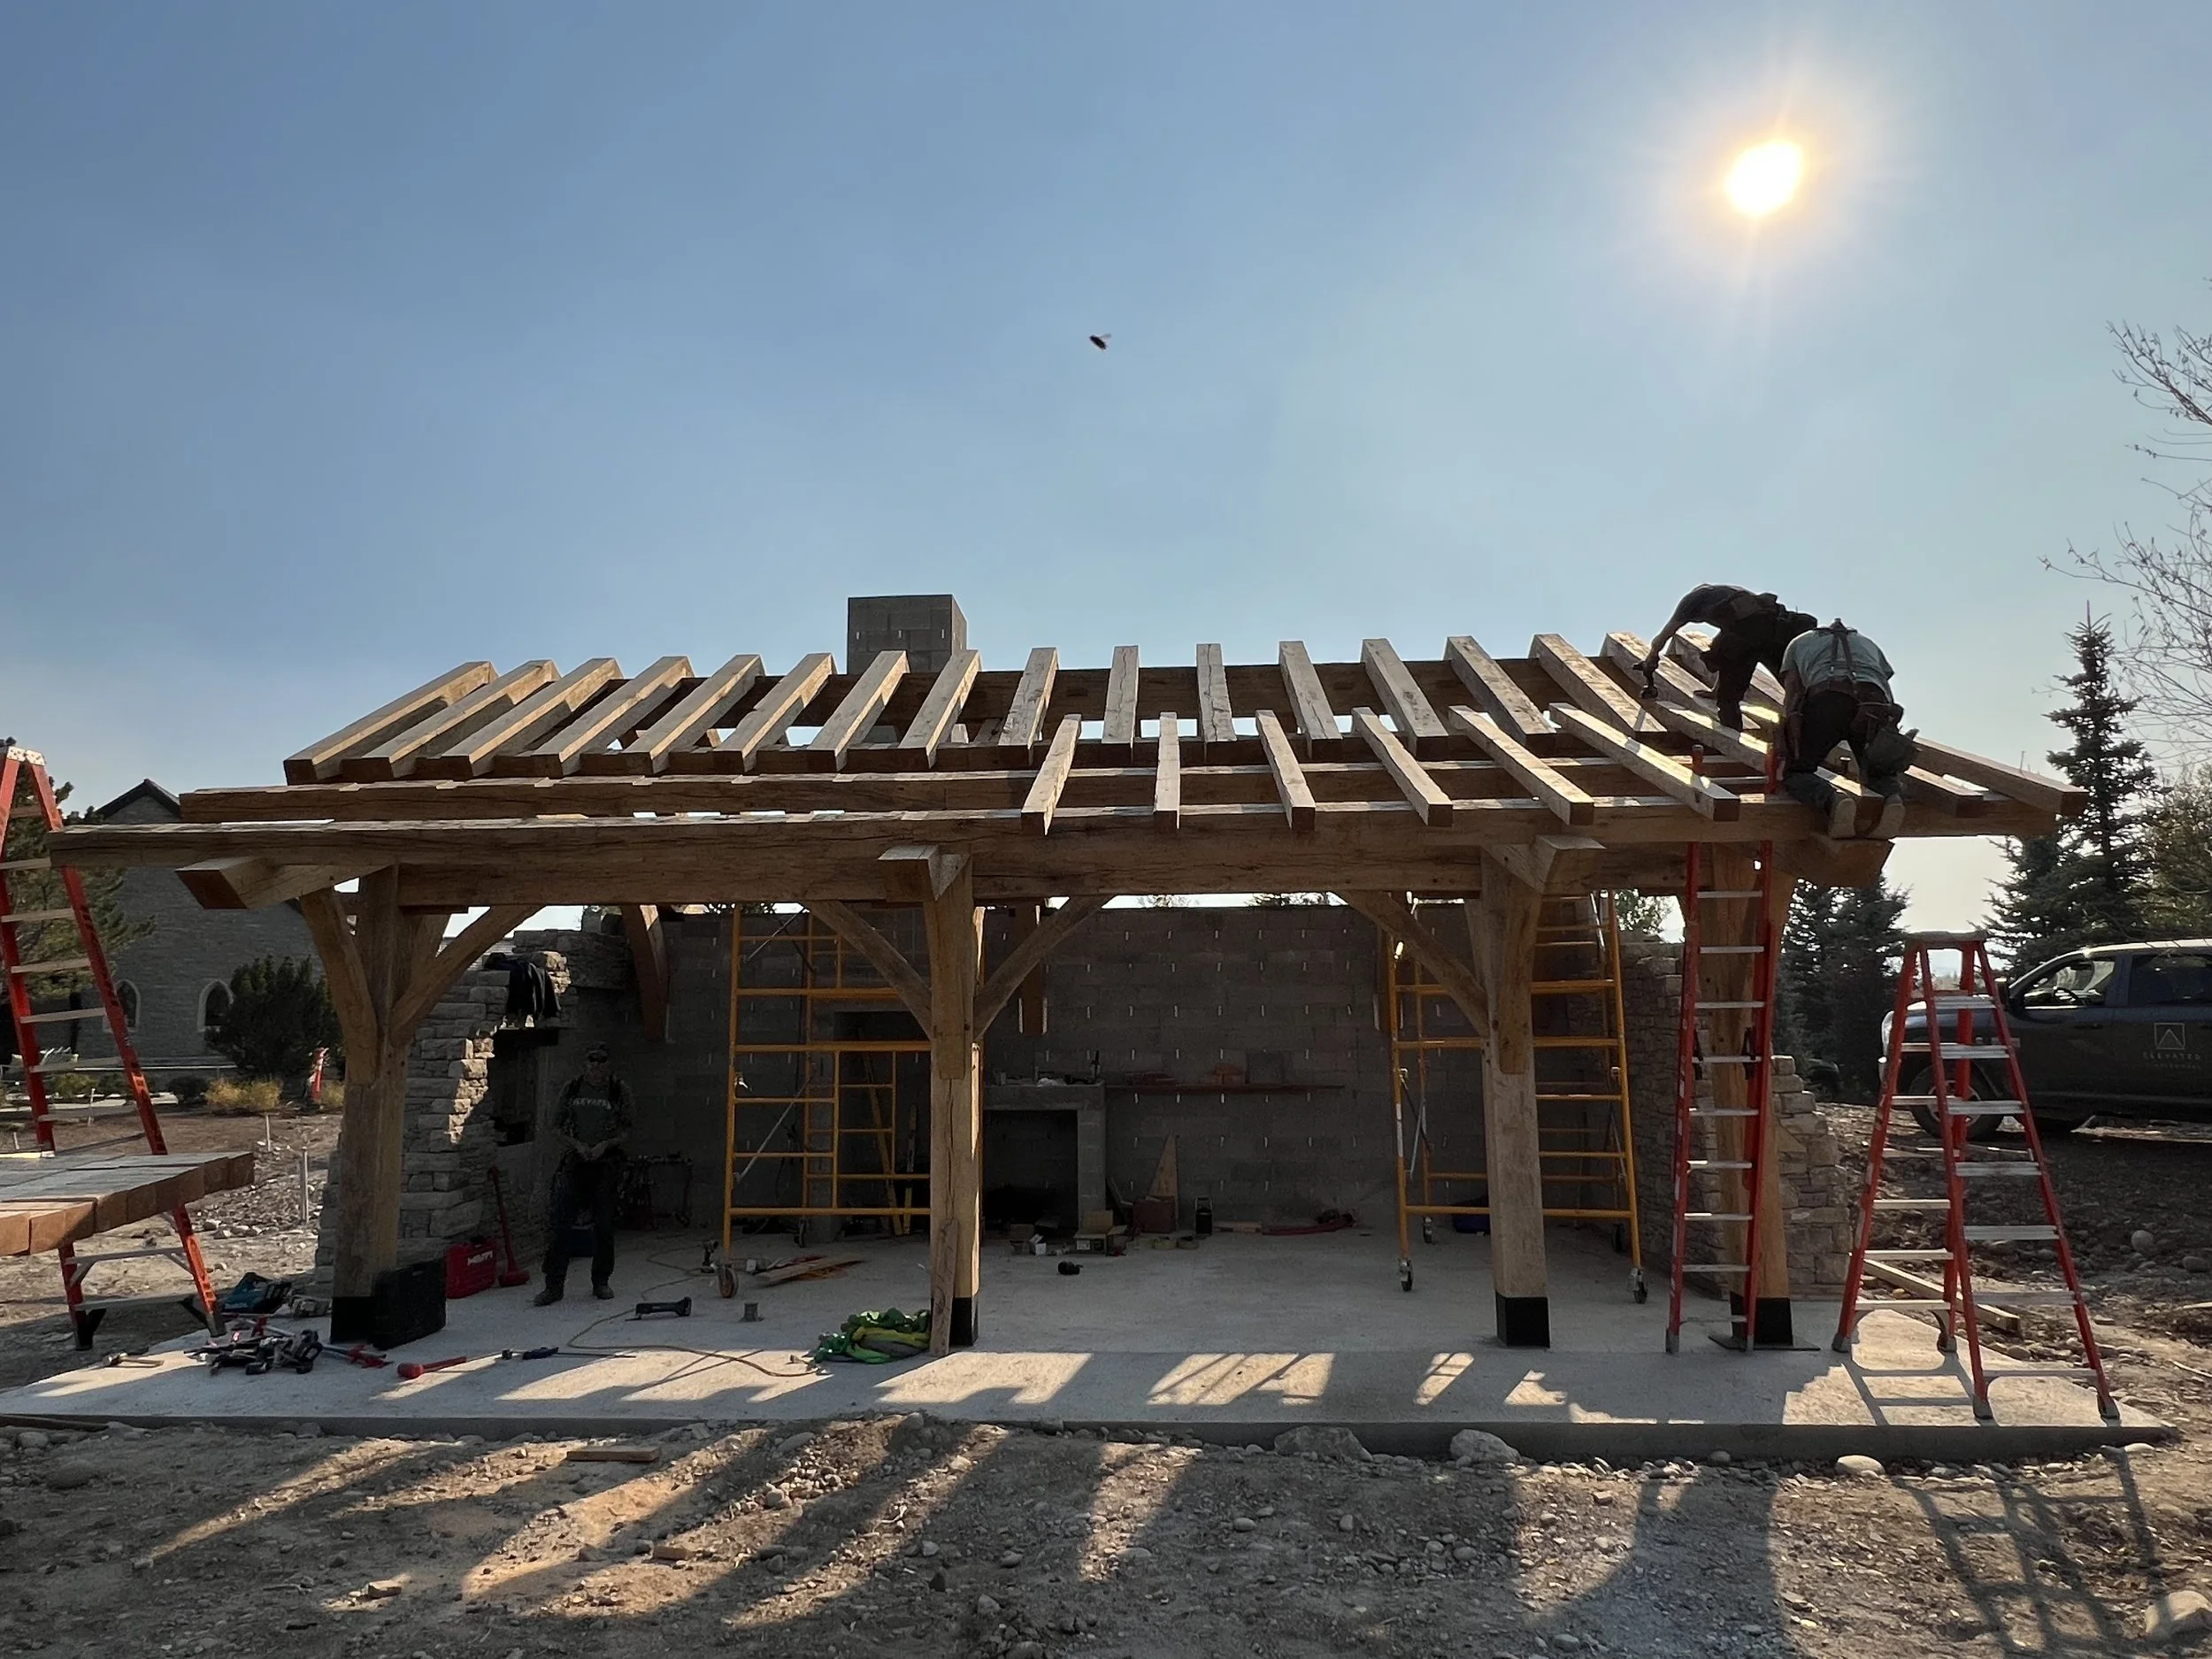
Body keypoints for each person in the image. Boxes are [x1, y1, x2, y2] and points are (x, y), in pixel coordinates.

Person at [1778, 618, 1917, 840]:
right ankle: (1892, 800)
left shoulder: (1798, 643)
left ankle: (1834, 801)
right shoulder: (1868, 643)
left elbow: (1793, 692)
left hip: (1830, 698)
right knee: (1878, 768)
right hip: (1874, 701)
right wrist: (1887, 730)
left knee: (1797, 772)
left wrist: (1789, 736)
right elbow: (1883, 682)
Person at [1637, 584, 1817, 730]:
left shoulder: (1692, 602)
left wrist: (1652, 656)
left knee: (1728, 700)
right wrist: (1716, 688)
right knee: (1795, 688)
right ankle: (1815, 728)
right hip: (1778, 632)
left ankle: (1735, 735)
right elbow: (1730, 639)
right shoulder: (1730, 597)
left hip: (1753, 634)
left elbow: (1664, 635)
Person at [535, 1045, 634, 1305]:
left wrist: (605, 1145)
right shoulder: (573, 1088)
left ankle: (601, 1281)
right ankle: (553, 1285)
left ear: (608, 1065)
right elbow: (556, 1127)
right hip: (576, 1161)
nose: (596, 1067)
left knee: (604, 1225)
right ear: (585, 1064)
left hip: (606, 1163)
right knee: (560, 1223)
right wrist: (577, 1145)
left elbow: (626, 1130)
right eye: (592, 1061)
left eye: (601, 1062)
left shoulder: (618, 1090)